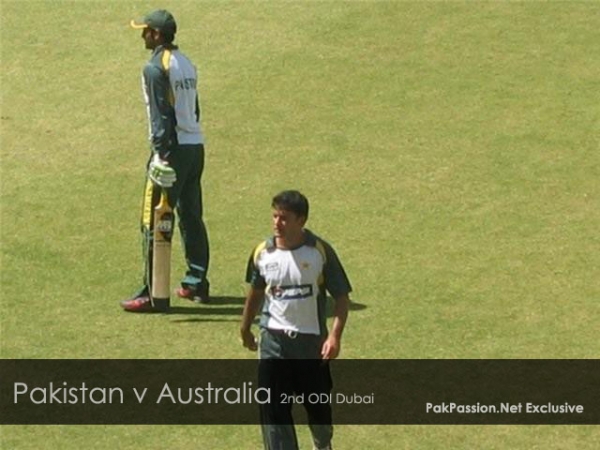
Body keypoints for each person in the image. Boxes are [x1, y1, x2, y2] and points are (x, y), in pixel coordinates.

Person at [241, 190, 352, 450]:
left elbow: (341, 297)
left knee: (318, 407)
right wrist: (245, 327)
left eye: (284, 218)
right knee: (273, 411)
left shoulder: (319, 252)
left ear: (301, 220)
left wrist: (334, 336)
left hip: (310, 343)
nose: (277, 223)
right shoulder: (262, 253)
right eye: (274, 216)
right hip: (273, 341)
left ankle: (322, 443)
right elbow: (255, 292)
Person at [121, 9, 210, 313]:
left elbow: (161, 116)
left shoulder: (154, 68)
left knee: (153, 219)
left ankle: (151, 290)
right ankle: (196, 282)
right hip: (195, 147)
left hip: (171, 153)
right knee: (191, 215)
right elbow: (194, 109)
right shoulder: (186, 62)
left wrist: (161, 154)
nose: (142, 35)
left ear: (157, 35)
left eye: (145, 31)